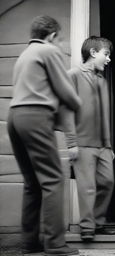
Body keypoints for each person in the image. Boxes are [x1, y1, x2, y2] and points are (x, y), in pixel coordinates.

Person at [7, 15, 81, 255]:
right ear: (51, 36)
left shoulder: (25, 55)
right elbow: (66, 91)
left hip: (15, 117)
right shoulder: (48, 51)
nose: (60, 45)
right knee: (52, 180)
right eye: (60, 39)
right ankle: (55, 243)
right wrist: (78, 103)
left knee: (32, 183)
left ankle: (29, 242)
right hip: (35, 116)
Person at [64, 36, 115, 241]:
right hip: (82, 143)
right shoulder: (73, 75)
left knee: (107, 181)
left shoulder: (102, 82)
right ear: (93, 53)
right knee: (87, 187)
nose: (108, 59)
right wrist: (71, 143)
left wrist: (109, 145)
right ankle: (87, 227)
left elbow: (105, 115)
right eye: (106, 54)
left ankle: (98, 222)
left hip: (102, 145)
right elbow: (67, 111)